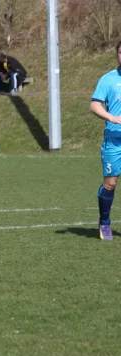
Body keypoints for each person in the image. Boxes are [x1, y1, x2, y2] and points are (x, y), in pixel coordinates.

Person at [89, 41, 121, 241]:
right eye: (120, 52)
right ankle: (105, 222)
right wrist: (112, 118)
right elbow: (94, 105)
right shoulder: (108, 79)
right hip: (114, 141)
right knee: (110, 183)